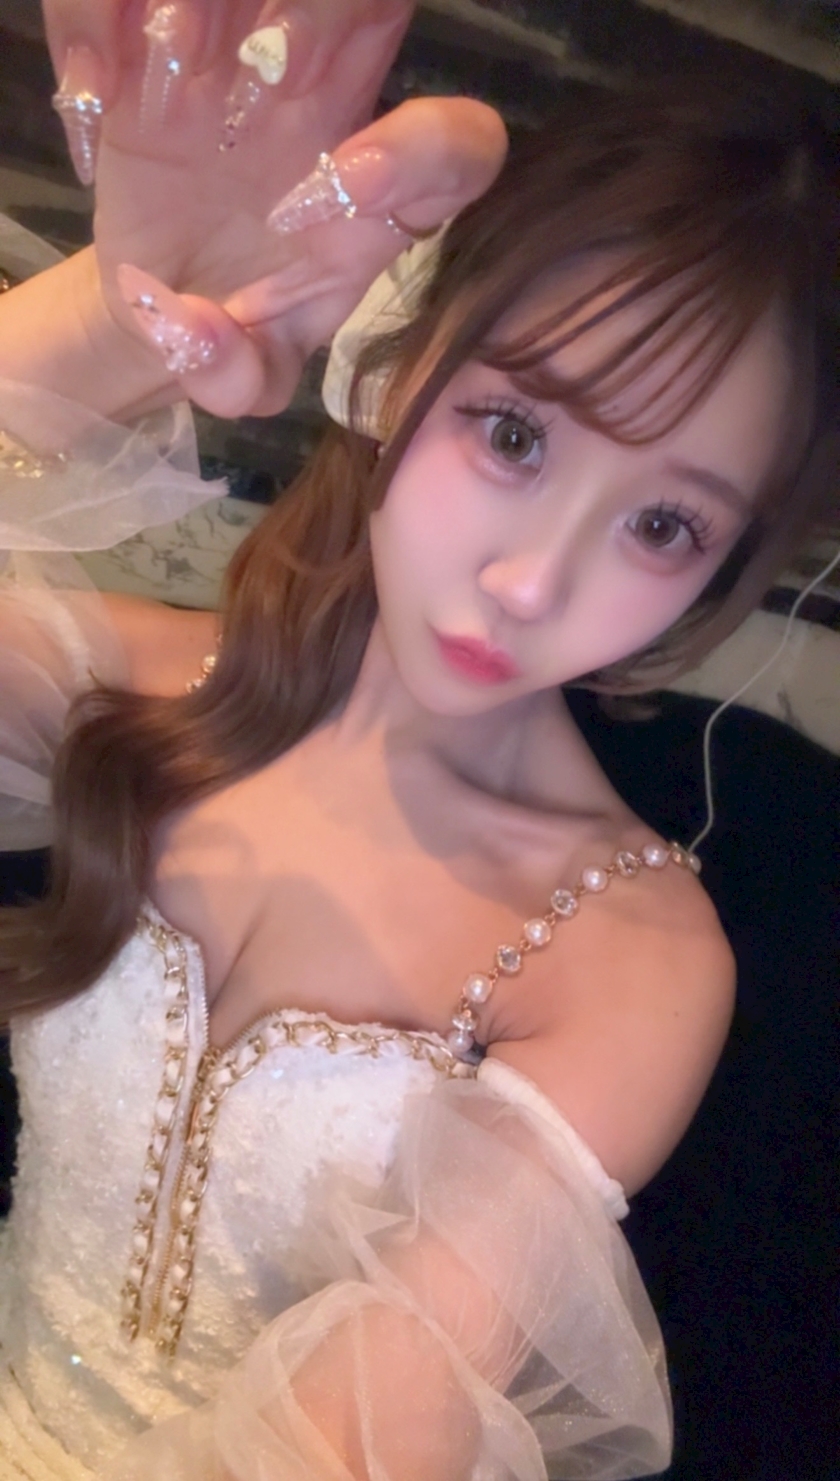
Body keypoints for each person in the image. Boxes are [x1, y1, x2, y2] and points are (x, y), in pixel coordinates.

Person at [0, 2, 836, 1477]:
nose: (532, 583)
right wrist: (122, 315)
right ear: (399, 359)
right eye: (515, 434)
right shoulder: (131, 689)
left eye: (663, 524)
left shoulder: (627, 959)